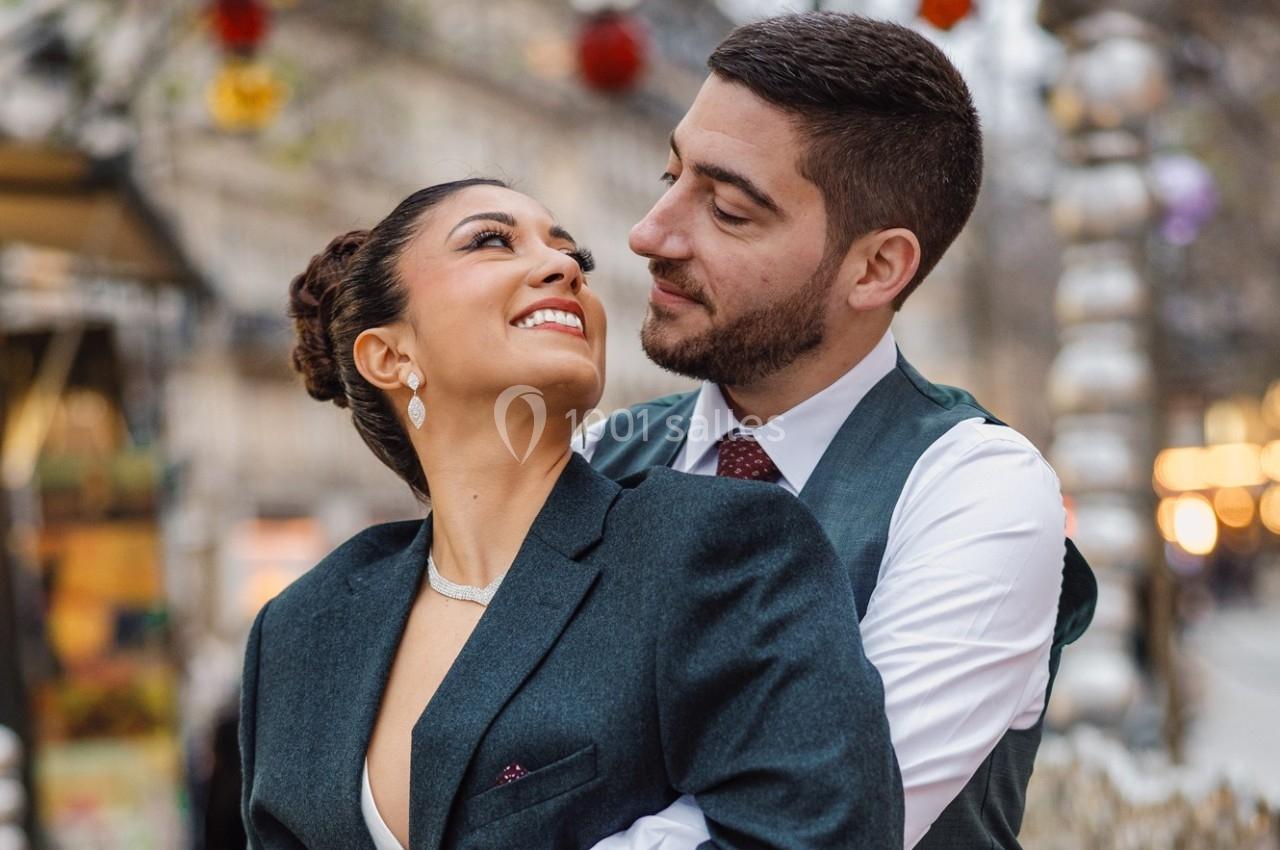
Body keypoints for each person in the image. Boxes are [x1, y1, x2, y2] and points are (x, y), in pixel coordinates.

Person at [238, 178, 904, 850]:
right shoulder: (301, 628)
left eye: (574, 256)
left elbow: (822, 832)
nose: (564, 268)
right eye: (491, 241)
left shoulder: (714, 548)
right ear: (390, 355)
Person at [583, 12, 1097, 850]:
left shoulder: (976, 491)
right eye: (670, 176)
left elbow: (814, 826)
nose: (650, 233)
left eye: (729, 210)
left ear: (876, 267)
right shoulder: (601, 456)